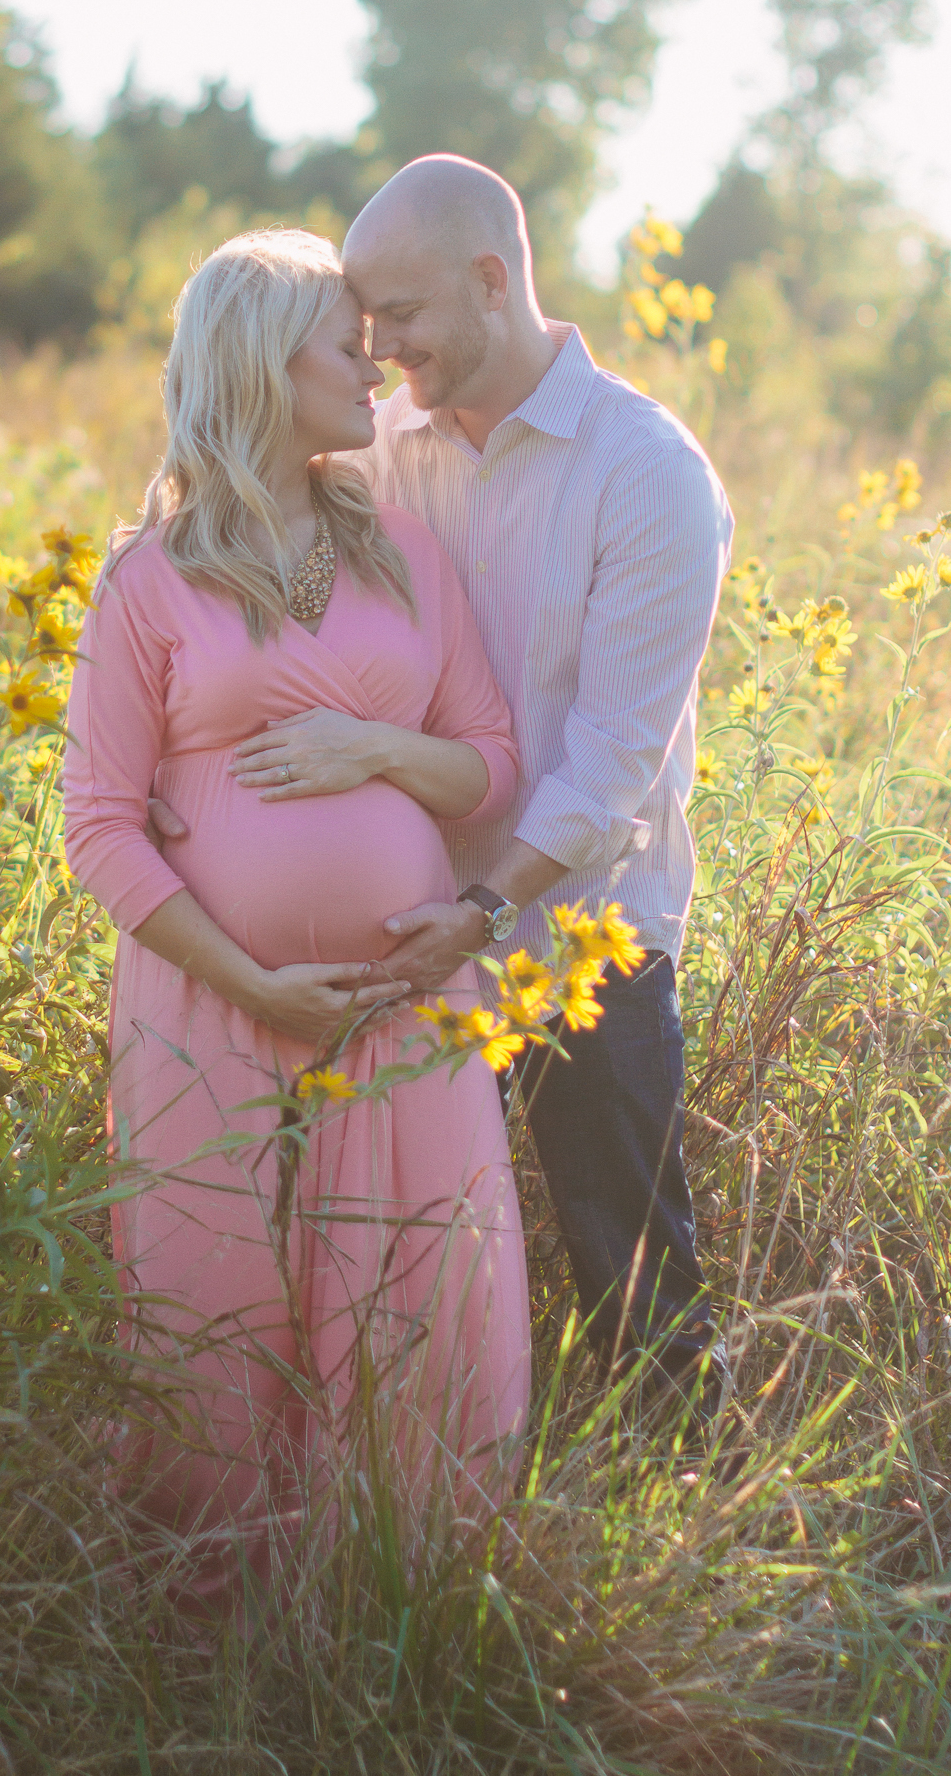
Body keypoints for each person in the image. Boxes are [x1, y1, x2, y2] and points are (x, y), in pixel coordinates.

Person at [178, 156, 730, 1405]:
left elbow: (612, 761)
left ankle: (676, 1522)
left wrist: (483, 918)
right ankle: (426, 1501)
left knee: (628, 1265)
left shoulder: (647, 475)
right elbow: (246, 577)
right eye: (364, 327)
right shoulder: (377, 450)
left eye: (406, 317)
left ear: (494, 281)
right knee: (414, 1265)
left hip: (575, 939)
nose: (382, 350)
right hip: (397, 937)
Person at [63, 229, 529, 1601]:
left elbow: (491, 764)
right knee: (225, 1301)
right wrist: (253, 979)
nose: (374, 362)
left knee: (417, 1292)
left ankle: (410, 1592)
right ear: (268, 368)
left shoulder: (402, 555)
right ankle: (220, 1619)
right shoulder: (149, 579)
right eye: (346, 342)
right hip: (216, 1012)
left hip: (404, 1008)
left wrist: (368, 747)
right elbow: (96, 824)